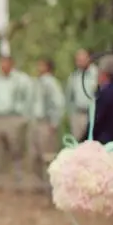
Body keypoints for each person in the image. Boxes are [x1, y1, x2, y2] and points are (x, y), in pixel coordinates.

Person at [0, 55, 32, 185]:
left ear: (11, 64)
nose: (3, 66)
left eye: (5, 63)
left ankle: (20, 175)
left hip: (15, 117)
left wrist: (24, 116)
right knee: (0, 147)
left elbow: (29, 98)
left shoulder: (21, 79)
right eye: (1, 64)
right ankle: (3, 177)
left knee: (16, 147)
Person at [28, 58, 65, 187]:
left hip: (46, 122)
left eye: (42, 65)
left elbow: (58, 103)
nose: (39, 67)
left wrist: (54, 122)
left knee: (48, 155)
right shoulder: (37, 82)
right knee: (35, 154)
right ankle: (39, 183)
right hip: (36, 122)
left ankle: (51, 184)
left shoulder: (51, 83)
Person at [87, 53, 113, 148]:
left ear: (104, 74)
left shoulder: (104, 93)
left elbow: (96, 122)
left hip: (107, 146)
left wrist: (83, 142)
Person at [65, 48, 98, 141]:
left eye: (82, 59)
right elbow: (69, 97)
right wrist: (71, 114)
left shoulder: (97, 74)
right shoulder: (74, 76)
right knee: (77, 143)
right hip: (77, 115)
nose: (79, 62)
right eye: (77, 59)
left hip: (92, 115)